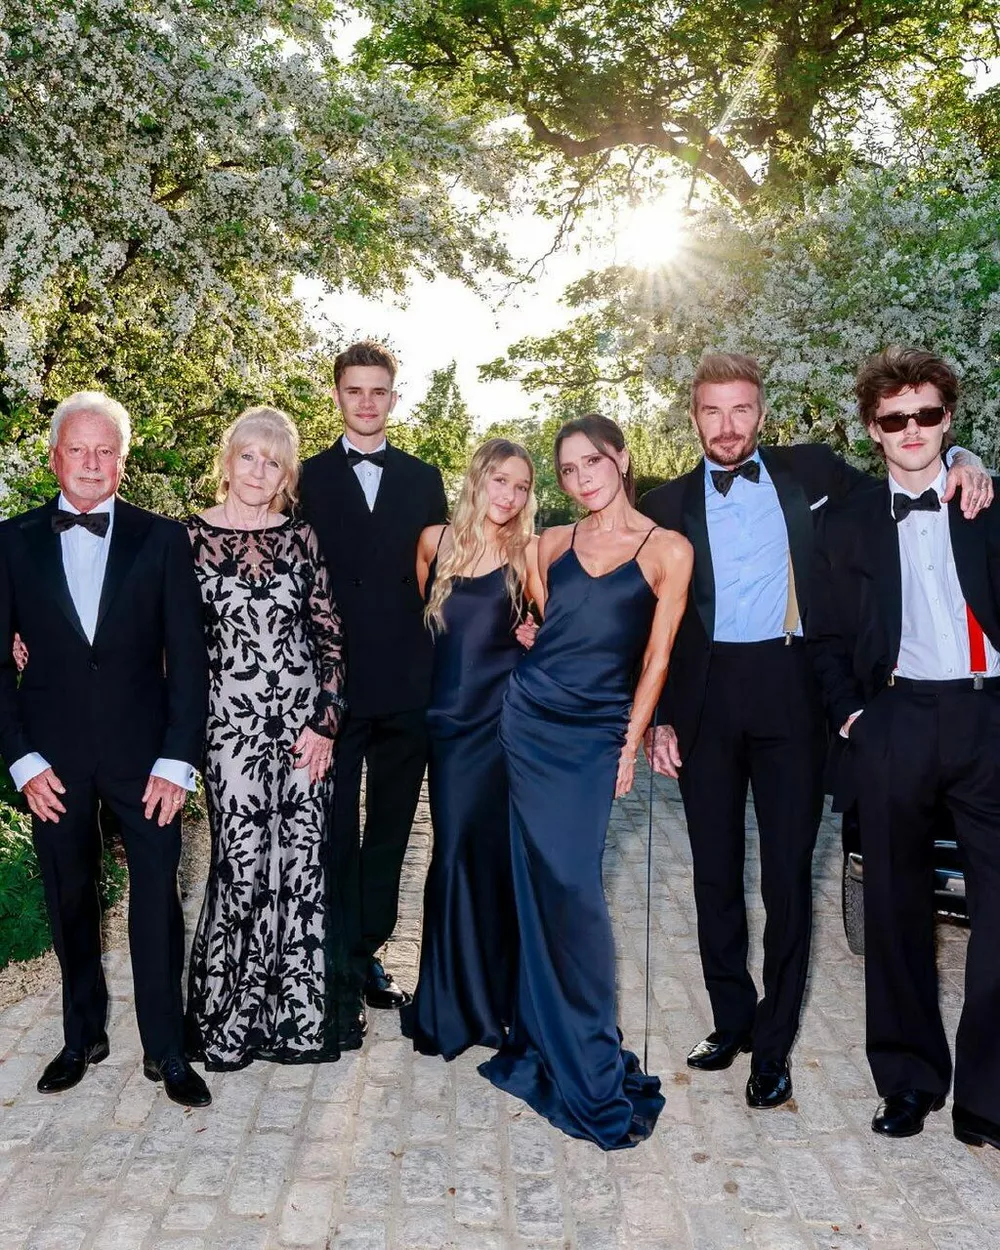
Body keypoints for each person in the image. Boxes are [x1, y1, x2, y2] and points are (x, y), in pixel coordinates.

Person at [639, 352, 993, 1110]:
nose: (727, 425)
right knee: (713, 872)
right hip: (705, 699)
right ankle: (731, 1017)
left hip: (793, 693)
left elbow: (912, 467)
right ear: (693, 417)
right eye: (712, 411)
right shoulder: (663, 504)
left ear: (761, 413)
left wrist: (966, 458)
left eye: (741, 409)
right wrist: (658, 716)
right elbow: (641, 611)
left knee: (786, 877)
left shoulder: (815, 473)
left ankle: (774, 1045)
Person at [480, 414, 692, 1150]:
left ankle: (590, 1056)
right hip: (529, 721)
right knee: (540, 885)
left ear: (621, 459)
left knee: (574, 889)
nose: (580, 480)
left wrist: (631, 743)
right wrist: (530, 635)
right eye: (567, 470)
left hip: (598, 734)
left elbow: (657, 659)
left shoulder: (667, 549)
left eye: (591, 463)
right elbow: (550, 625)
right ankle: (544, 1036)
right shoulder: (548, 544)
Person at [808, 347, 1000, 1147]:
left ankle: (988, 1099)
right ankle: (908, 1082)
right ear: (872, 430)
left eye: (927, 414)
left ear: (948, 419)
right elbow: (823, 637)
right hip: (895, 719)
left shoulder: (987, 499)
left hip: (988, 715)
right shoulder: (843, 521)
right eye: (895, 419)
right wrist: (855, 718)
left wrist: (974, 465)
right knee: (893, 908)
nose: (912, 429)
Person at [0, 392, 211, 1107]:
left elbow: (189, 660)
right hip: (51, 761)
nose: (91, 464)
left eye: (105, 451)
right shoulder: (11, 541)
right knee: (69, 896)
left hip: (147, 759)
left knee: (157, 899)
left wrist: (178, 760)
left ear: (123, 460)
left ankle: (167, 1050)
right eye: (78, 450)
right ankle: (81, 1036)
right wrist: (22, 759)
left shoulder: (163, 539)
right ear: (54, 457)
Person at [184, 407, 359, 1069]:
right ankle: (228, 1019)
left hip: (304, 730)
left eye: (274, 462)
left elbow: (330, 638)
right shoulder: (189, 539)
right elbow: (162, 640)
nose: (259, 471)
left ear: (287, 476)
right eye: (249, 456)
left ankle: (296, 1023)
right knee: (241, 862)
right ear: (227, 461)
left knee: (301, 867)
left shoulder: (300, 538)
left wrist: (326, 725)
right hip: (228, 729)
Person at [300, 342, 448, 1017]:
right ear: (337, 395)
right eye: (354, 390)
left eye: (378, 391)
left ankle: (367, 954)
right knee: (333, 831)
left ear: (393, 397)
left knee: (391, 830)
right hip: (329, 692)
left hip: (407, 684)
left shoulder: (423, 478)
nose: (366, 402)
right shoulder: (304, 477)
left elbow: (449, 576)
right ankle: (334, 959)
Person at [404, 438, 543, 1059]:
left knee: (492, 858)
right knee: (454, 852)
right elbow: (431, 636)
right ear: (477, 479)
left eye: (521, 486)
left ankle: (493, 1002)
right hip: (448, 727)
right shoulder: (434, 542)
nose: (509, 496)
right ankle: (449, 1003)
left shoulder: (528, 554)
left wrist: (536, 635)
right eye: (500, 481)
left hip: (503, 728)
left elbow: (556, 632)